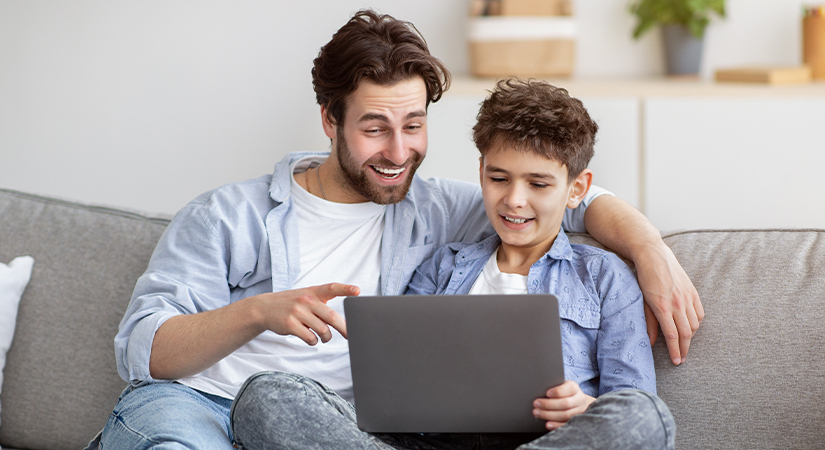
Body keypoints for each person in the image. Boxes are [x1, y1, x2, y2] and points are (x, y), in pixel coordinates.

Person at [88, 10, 696, 449]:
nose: (399, 150)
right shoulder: (227, 215)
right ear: (330, 120)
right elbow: (143, 350)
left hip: (356, 428)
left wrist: (648, 248)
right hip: (205, 403)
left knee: (641, 422)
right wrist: (260, 311)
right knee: (260, 401)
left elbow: (561, 198)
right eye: (375, 127)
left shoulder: (438, 209)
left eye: (414, 124)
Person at [231, 78, 675, 449]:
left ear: (576, 190)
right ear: (481, 171)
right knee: (264, 396)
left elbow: (631, 398)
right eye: (499, 178)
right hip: (427, 442)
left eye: (538, 184)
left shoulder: (603, 278)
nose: (514, 200)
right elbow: (395, 380)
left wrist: (585, 408)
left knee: (647, 418)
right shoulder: (442, 266)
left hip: (547, 442)